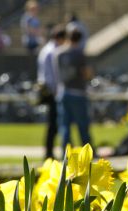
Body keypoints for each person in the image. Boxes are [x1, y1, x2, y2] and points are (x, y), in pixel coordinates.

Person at [54, 26, 93, 156]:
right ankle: (87, 153)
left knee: (64, 126)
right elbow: (86, 73)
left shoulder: (58, 53)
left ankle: (65, 153)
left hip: (63, 92)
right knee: (82, 126)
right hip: (78, 93)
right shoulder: (78, 53)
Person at [37, 24, 66, 159]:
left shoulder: (47, 50)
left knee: (53, 123)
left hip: (48, 89)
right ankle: (48, 153)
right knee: (53, 124)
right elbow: (50, 75)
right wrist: (56, 91)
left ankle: (49, 152)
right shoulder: (51, 51)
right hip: (51, 91)